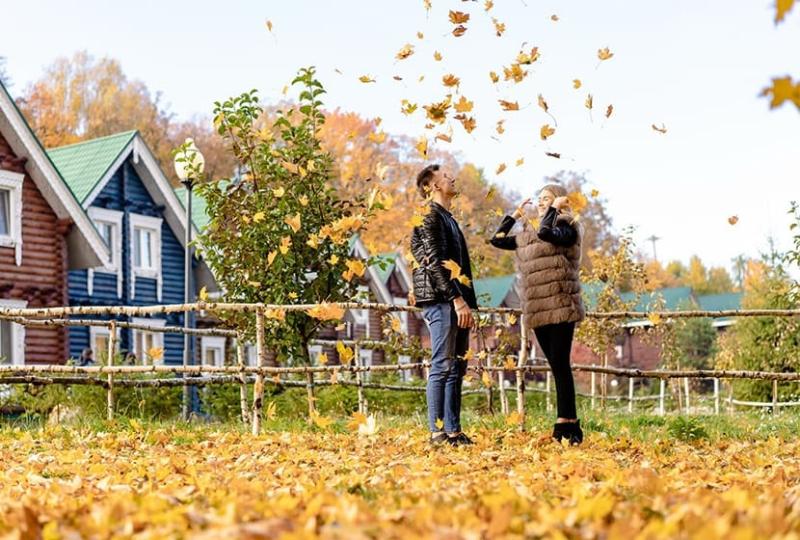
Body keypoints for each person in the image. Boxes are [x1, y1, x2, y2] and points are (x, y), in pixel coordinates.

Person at [490, 184, 586, 445]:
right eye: (541, 199)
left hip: (560, 302)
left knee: (561, 364)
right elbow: (496, 240)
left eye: (548, 199)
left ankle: (567, 423)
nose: (542, 202)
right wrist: (515, 216)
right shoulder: (527, 235)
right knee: (555, 364)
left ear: (559, 201)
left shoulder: (567, 226)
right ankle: (569, 423)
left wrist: (555, 210)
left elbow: (547, 231)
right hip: (537, 309)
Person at [410, 164, 477, 447]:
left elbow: (460, 267)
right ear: (432, 185)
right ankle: (437, 432)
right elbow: (435, 263)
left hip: (457, 301)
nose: (452, 177)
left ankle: (453, 431)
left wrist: (468, 304)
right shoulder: (429, 216)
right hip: (441, 301)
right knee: (440, 365)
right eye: (446, 176)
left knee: (456, 367)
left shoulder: (447, 217)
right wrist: (456, 299)